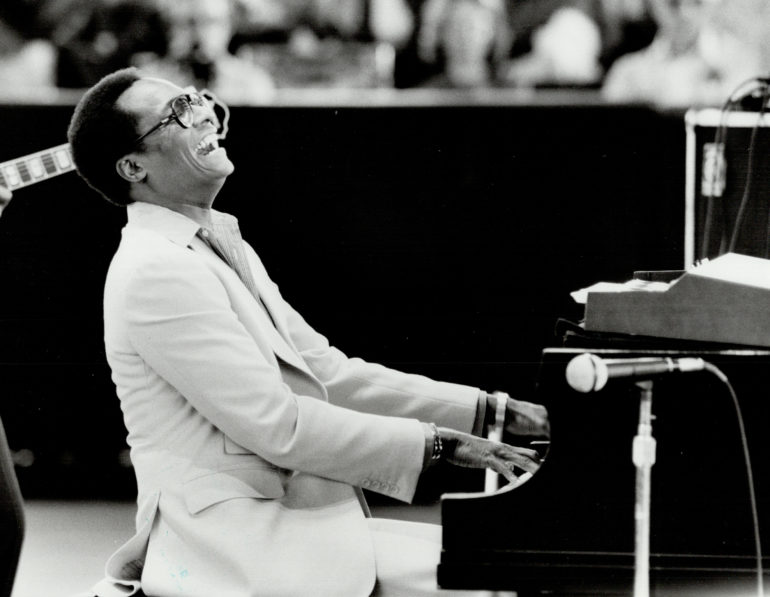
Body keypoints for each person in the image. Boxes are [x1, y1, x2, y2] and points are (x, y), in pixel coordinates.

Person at [66, 67, 549, 597]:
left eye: (195, 98)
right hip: (235, 550)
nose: (203, 112)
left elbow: (326, 373)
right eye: (176, 112)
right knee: (494, 580)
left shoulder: (214, 244)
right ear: (133, 166)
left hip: (294, 528)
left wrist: (493, 411)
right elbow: (278, 425)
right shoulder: (156, 268)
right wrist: (443, 446)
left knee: (508, 570)